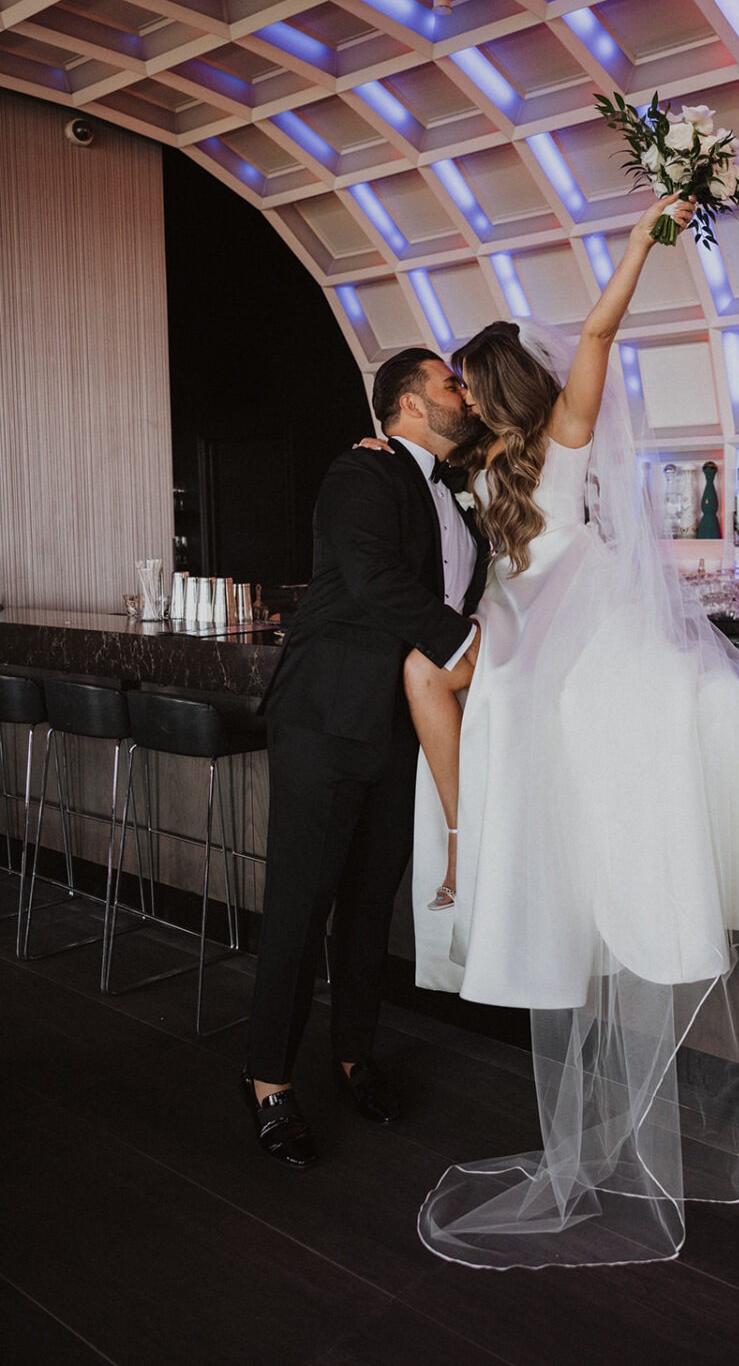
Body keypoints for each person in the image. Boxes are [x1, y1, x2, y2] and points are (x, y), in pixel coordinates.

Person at [401, 194, 739, 1267]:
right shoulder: (504, 462)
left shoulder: (539, 451)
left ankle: (497, 891)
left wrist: (643, 237)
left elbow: (595, 333)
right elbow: (575, 348)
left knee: (561, 805)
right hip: (539, 653)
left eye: (464, 384)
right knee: (562, 804)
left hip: (549, 658)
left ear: (489, 392)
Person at [241, 348, 489, 1167]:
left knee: (370, 903)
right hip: (325, 717)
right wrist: (469, 647)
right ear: (410, 404)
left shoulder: (455, 489)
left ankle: (354, 1055)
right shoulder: (363, 472)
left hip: (400, 726)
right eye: (452, 383)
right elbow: (374, 578)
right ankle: (270, 1083)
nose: (465, 393)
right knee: (301, 903)